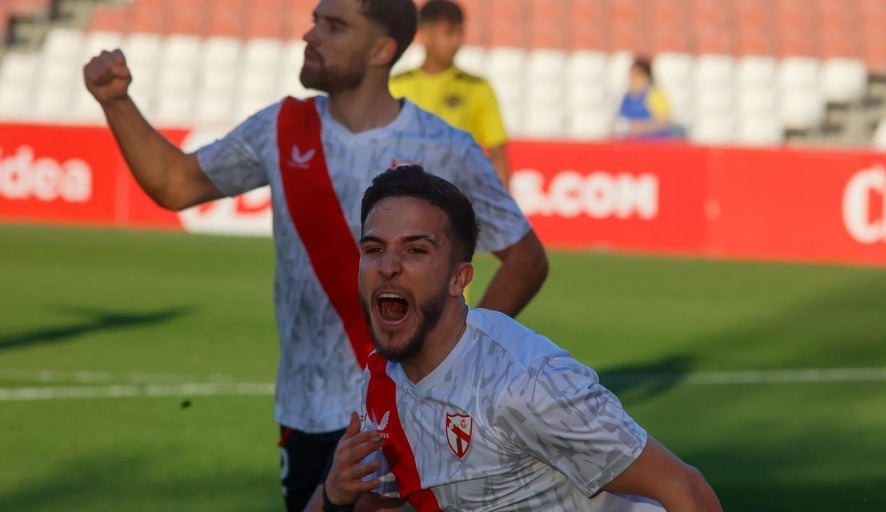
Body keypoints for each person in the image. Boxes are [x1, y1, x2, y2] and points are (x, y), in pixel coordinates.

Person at [81, 1, 548, 511]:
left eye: (334, 25)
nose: (311, 35)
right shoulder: (280, 127)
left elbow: (525, 257)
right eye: (315, 21)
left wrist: (455, 364)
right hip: (303, 410)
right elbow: (175, 183)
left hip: (406, 408)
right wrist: (116, 101)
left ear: (381, 49)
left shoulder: (444, 146)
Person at [319, 166, 722, 511]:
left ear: (460, 278)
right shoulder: (380, 383)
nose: (388, 266)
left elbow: (687, 490)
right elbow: (381, 503)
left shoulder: (527, 381)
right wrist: (336, 497)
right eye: (374, 248)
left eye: (416, 250)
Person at [388, 0, 510, 188]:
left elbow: (497, 154)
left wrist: (503, 210)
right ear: (425, 35)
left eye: (459, 32)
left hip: (460, 197)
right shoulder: (396, 85)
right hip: (405, 195)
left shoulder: (477, 88)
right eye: (448, 33)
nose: (456, 41)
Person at [614, 57, 681, 139]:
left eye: (637, 75)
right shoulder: (626, 97)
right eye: (631, 75)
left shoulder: (654, 95)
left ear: (646, 76)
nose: (633, 79)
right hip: (631, 144)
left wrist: (641, 128)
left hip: (653, 144)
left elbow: (666, 120)